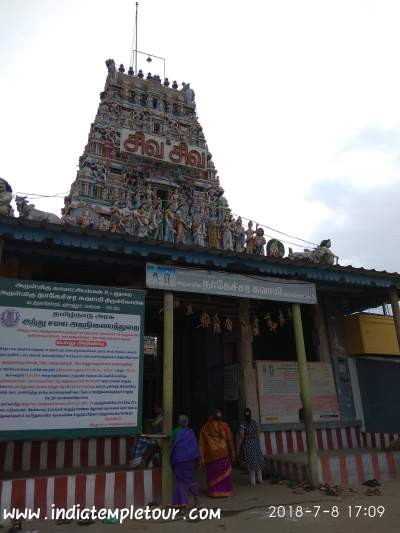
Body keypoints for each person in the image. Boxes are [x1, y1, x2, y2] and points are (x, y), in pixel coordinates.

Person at [199, 409, 235, 497]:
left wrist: (202, 457)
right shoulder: (224, 425)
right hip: (223, 452)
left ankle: (214, 493)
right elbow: (229, 439)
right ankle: (226, 492)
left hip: (211, 455)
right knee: (224, 473)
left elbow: (201, 444)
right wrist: (233, 452)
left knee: (213, 473)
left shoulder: (205, 427)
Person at [170, 414, 200, 506]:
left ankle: (183, 502)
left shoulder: (175, 431)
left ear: (179, 422)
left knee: (180, 481)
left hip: (179, 460)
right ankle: (195, 496)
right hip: (191, 459)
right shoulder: (191, 432)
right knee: (191, 479)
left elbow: (171, 444)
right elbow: (194, 446)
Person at [237, 408, 265, 486]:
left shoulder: (243, 424)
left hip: (248, 443)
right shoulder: (254, 423)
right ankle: (260, 479)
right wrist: (255, 440)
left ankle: (253, 481)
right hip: (255, 443)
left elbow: (242, 436)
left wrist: (238, 446)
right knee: (258, 460)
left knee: (251, 461)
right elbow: (258, 433)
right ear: (250, 414)